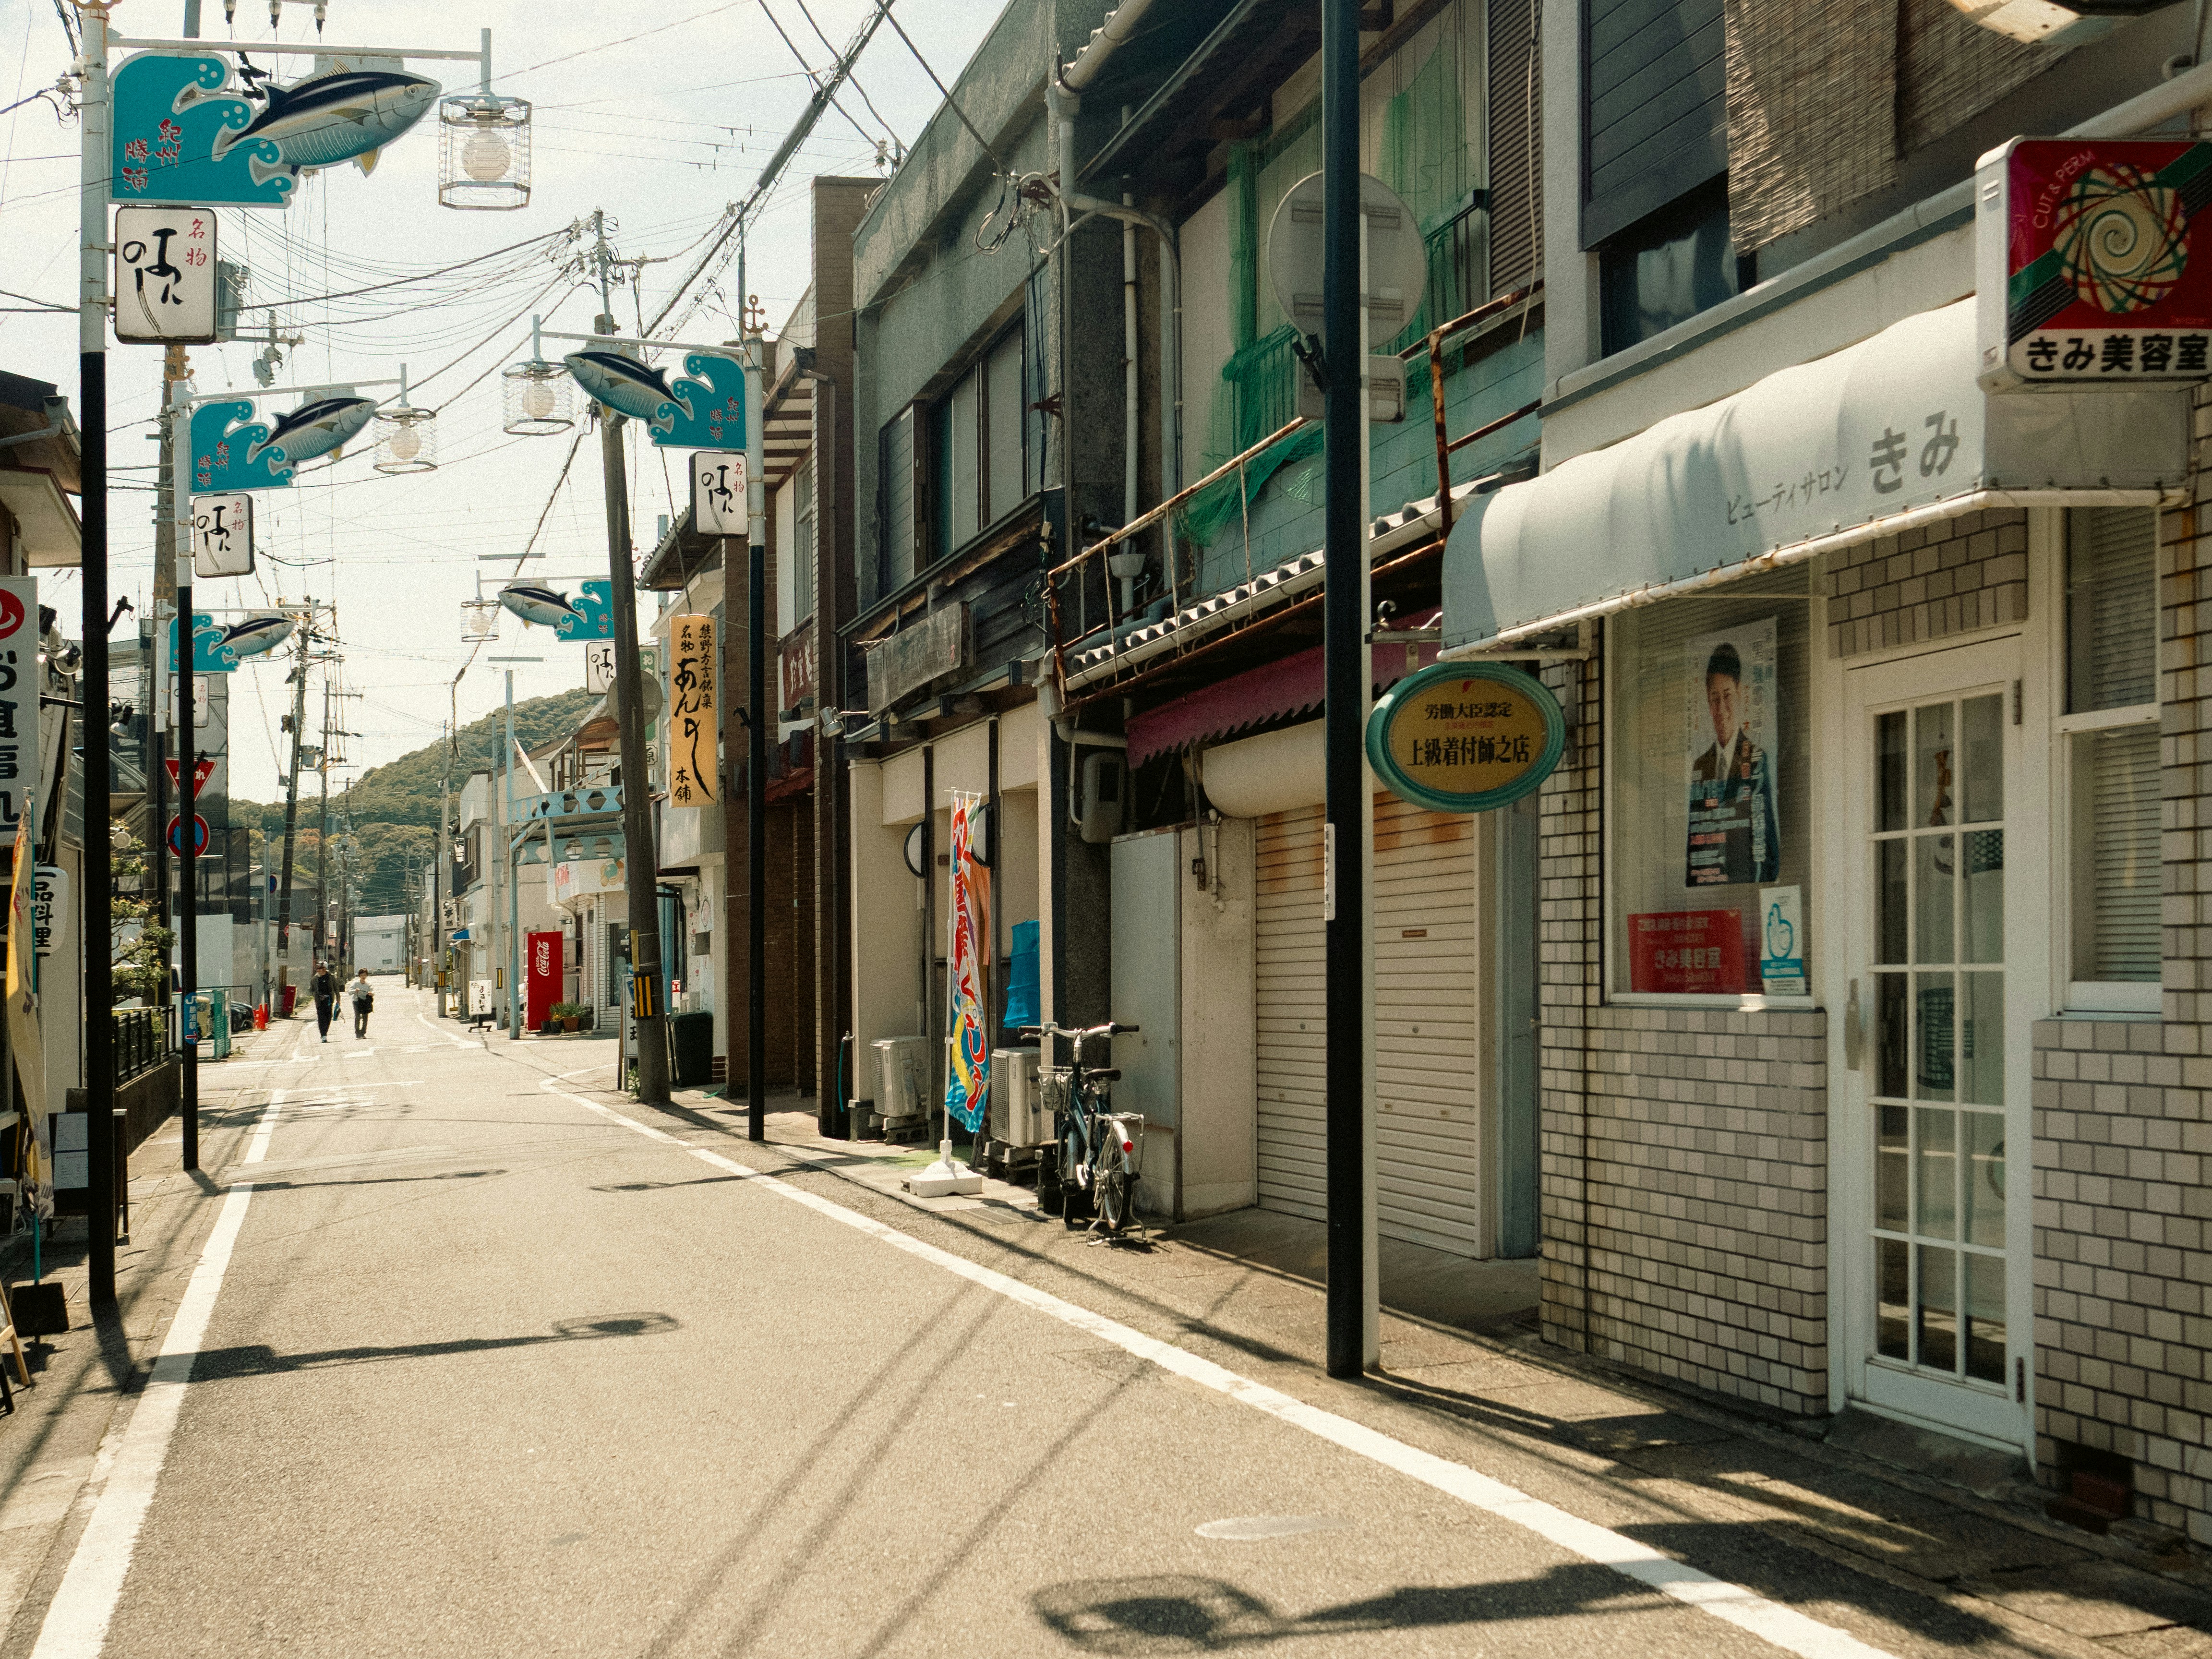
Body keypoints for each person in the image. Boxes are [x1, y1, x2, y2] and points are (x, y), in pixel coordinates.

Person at [1686, 639, 1779, 886]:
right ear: (1707, 702)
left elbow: (1766, 849)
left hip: (1746, 891)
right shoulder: (1701, 766)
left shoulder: (1755, 759)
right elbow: (1693, 851)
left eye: (1727, 696)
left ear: (1740, 693)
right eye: (1714, 698)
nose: (1721, 709)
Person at [310, 961, 337, 1043]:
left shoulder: (331, 977)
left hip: (329, 1000)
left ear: (325, 969)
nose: (318, 970)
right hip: (319, 1001)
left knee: (329, 1017)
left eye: (320, 968)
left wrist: (338, 999)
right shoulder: (315, 978)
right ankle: (323, 1035)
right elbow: (311, 989)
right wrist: (316, 995)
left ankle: (325, 1032)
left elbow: (336, 988)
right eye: (317, 968)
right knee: (321, 1018)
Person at [350, 969, 374, 1038]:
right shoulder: (355, 983)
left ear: (367, 975)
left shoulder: (368, 984)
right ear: (359, 976)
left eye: (365, 975)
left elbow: (373, 992)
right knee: (358, 1017)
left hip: (365, 1002)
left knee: (365, 1018)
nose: (363, 977)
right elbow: (349, 992)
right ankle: (357, 1033)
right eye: (362, 975)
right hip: (357, 1001)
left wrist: (371, 993)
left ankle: (363, 1033)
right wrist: (355, 990)